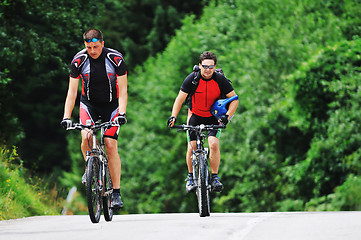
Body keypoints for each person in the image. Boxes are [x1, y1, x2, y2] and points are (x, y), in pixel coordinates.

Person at [61, 28, 127, 209]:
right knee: (86, 137)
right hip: (89, 105)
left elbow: (123, 90)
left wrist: (121, 113)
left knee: (111, 144)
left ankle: (116, 193)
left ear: (102, 44)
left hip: (112, 106)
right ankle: (90, 168)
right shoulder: (78, 60)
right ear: (85, 45)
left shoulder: (115, 58)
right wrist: (66, 116)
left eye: (96, 47)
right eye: (89, 48)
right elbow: (72, 92)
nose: (93, 51)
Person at [168, 51, 239, 193]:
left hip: (213, 116)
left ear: (215, 66)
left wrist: (228, 116)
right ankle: (190, 177)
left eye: (211, 67)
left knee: (213, 144)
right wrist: (173, 116)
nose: (208, 70)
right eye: (205, 66)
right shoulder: (192, 79)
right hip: (195, 115)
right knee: (192, 146)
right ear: (199, 65)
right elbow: (180, 99)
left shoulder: (220, 80)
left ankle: (214, 177)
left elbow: (234, 99)